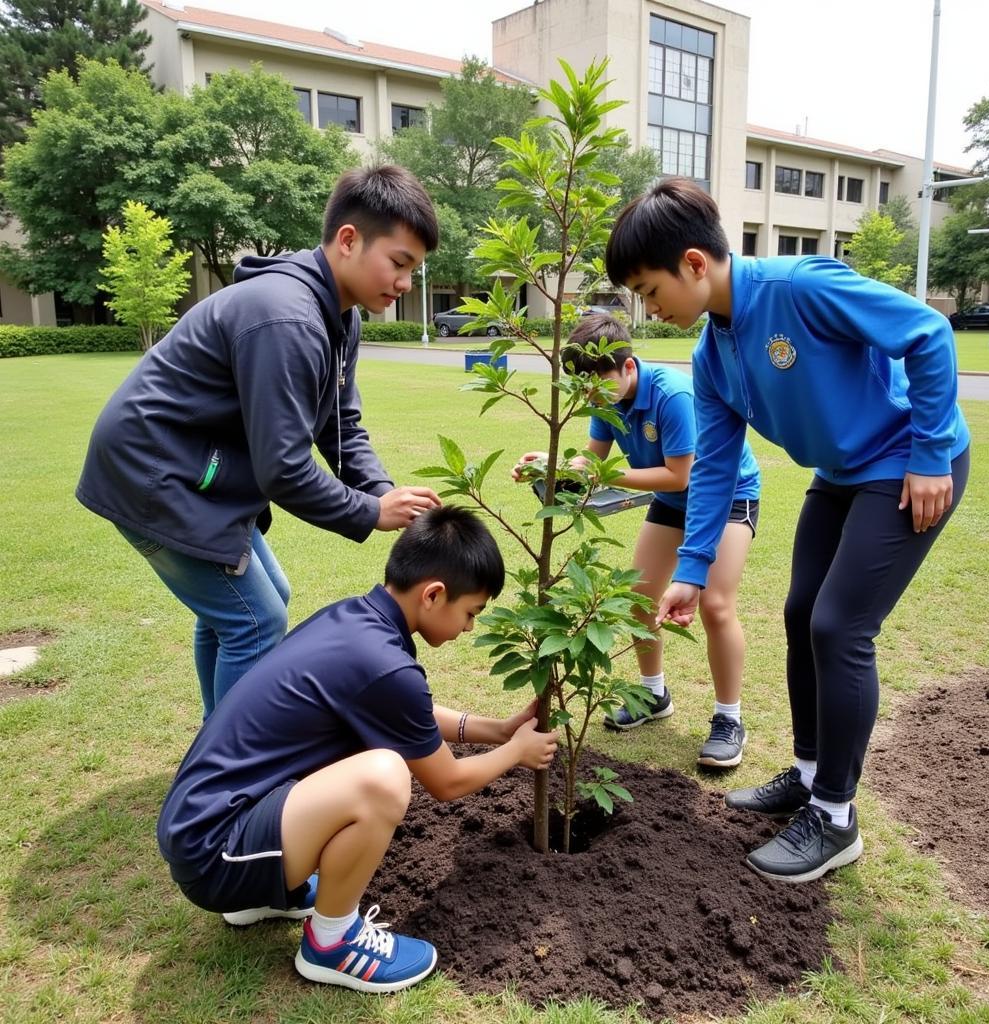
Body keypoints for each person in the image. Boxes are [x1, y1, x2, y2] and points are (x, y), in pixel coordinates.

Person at [604, 177, 970, 884]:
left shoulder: (799, 287)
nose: (647, 309)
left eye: (649, 290)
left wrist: (930, 454)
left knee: (838, 626)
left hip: (910, 463)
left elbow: (927, 332)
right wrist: (692, 567)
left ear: (693, 263)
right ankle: (807, 776)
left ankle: (836, 817)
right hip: (842, 473)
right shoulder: (712, 356)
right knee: (802, 613)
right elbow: (711, 467)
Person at [77, 165, 442, 717]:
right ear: (348, 240)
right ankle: (231, 777)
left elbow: (339, 422)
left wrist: (384, 492)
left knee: (255, 602)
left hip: (197, 469)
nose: (405, 284)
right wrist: (369, 511)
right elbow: (285, 469)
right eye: (399, 263)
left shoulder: (339, 316)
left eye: (413, 269)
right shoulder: (286, 318)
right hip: (153, 474)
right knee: (255, 619)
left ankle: (212, 744)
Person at [156, 505, 558, 992]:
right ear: (434, 595)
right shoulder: (383, 664)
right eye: (470, 613)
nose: (469, 627)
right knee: (384, 777)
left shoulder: (354, 623)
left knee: (375, 763)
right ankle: (332, 944)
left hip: (201, 826)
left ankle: (262, 897)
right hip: (216, 852)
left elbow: (403, 714)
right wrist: (516, 752)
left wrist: (498, 731)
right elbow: (447, 782)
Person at [512, 313, 761, 768]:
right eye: (583, 386)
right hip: (672, 501)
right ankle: (653, 696)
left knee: (717, 605)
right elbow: (593, 461)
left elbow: (678, 474)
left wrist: (606, 476)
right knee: (639, 599)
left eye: (598, 382)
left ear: (628, 368)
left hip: (726, 497)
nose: (590, 395)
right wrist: (551, 465)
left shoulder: (672, 395)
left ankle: (729, 719)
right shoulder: (602, 400)